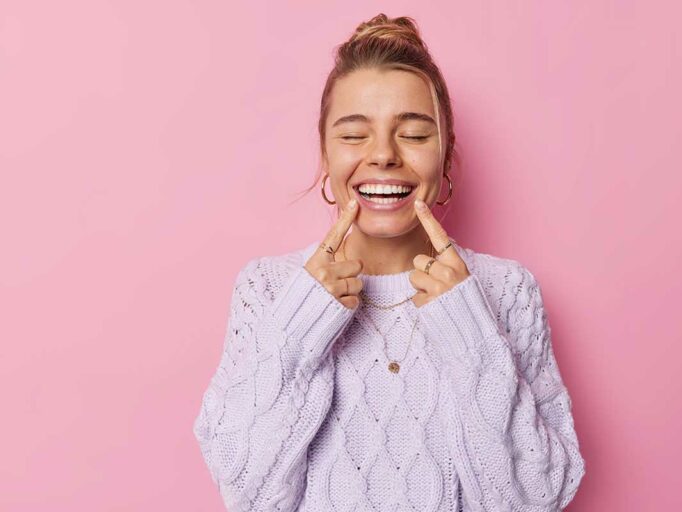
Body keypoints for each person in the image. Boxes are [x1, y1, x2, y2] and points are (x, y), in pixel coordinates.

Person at [193, 13, 586, 512]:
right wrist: (299, 326)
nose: (382, 155)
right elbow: (245, 491)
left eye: (415, 135)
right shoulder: (269, 290)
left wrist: (468, 328)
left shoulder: (507, 291)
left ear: (446, 158)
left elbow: (538, 497)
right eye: (354, 135)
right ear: (326, 157)